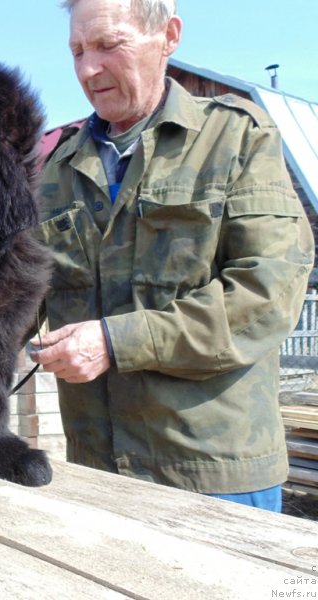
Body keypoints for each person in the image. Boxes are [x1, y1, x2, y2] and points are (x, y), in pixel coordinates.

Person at [29, 0, 315, 512]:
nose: (88, 69)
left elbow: (265, 297)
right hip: (97, 473)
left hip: (214, 474)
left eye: (108, 45)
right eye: (76, 50)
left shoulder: (237, 139)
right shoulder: (56, 169)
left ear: (168, 35)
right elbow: (13, 299)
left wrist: (116, 342)